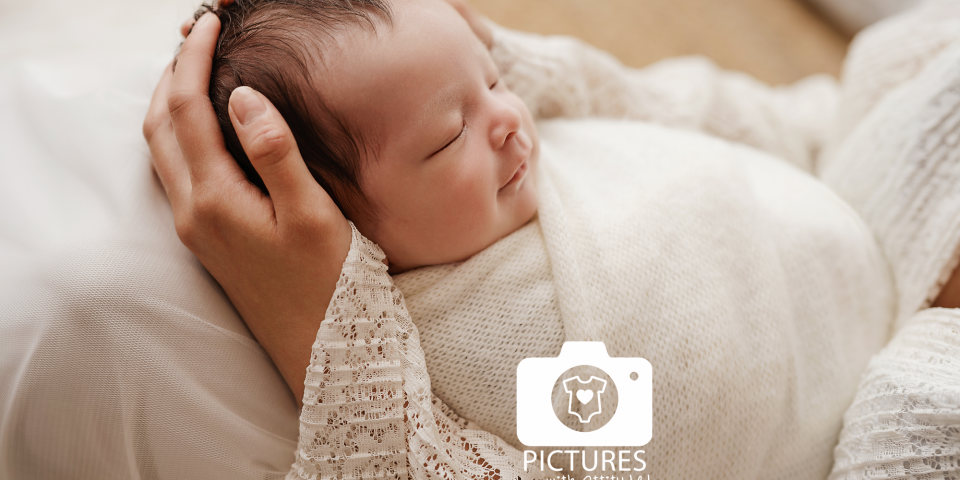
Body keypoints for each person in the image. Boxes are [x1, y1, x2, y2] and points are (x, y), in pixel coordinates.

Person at [144, 1, 960, 478]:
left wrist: (457, 81)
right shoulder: (460, 338)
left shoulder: (528, 156)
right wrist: (336, 328)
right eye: (445, 136)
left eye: (494, 82)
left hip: (830, 243)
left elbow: (680, 119)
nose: (507, 118)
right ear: (342, 227)